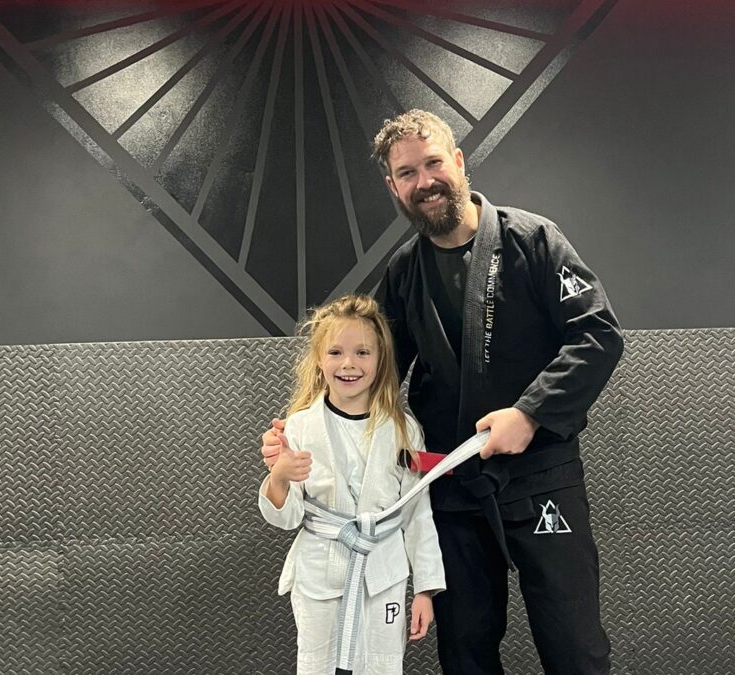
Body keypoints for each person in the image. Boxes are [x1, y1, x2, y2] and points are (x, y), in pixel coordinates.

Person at [264, 109, 623, 675]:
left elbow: (597, 335)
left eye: (433, 163)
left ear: (458, 161)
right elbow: (368, 374)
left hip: (541, 475)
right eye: (407, 173)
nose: (424, 181)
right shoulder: (405, 272)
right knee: (464, 651)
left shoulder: (533, 240)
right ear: (394, 187)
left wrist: (530, 414)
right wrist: (305, 432)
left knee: (574, 644)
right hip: (451, 486)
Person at [258, 293, 445, 675]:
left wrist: (426, 590)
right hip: (320, 571)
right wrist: (279, 476)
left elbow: (418, 515)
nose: (348, 364)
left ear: (381, 359)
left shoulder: (404, 430)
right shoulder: (300, 427)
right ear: (318, 360)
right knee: (317, 665)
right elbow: (287, 517)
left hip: (383, 570)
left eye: (362, 352)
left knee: (382, 666)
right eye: (335, 352)